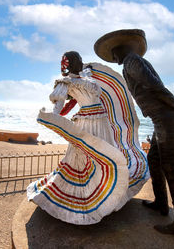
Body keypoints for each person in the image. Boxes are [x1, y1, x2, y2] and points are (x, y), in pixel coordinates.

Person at [94, 29, 174, 238]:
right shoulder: (132, 62)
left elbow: (154, 85)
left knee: (173, 169)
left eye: (114, 52)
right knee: (155, 161)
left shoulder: (132, 61)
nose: (113, 57)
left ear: (122, 50)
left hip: (166, 117)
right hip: (160, 118)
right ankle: (161, 203)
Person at [27, 51, 129, 225]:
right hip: (87, 123)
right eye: (78, 60)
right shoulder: (65, 83)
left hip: (101, 121)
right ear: (73, 62)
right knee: (85, 159)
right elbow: (58, 110)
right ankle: (88, 201)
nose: (81, 62)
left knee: (104, 155)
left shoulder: (86, 76)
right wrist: (53, 119)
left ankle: (107, 196)